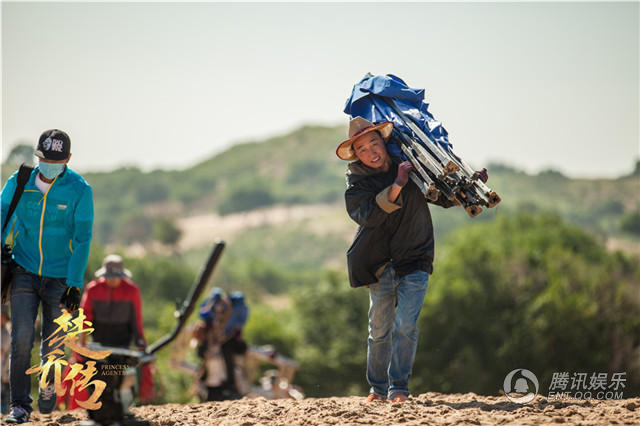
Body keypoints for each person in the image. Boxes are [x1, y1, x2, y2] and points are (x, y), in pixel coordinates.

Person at [336, 117, 487, 403]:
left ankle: (399, 388)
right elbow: (367, 215)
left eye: (375, 143)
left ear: (384, 142)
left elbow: (442, 195)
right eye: (363, 149)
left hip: (416, 255)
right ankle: (377, 389)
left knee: (406, 325)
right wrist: (396, 185)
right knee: (379, 329)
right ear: (356, 155)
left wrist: (471, 184)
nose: (372, 152)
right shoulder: (357, 184)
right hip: (378, 262)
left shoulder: (411, 165)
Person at [1, 129, 93, 423]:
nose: (49, 166)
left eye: (57, 160)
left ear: (67, 159)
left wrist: (75, 285)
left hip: (61, 277)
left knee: (53, 344)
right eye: (44, 159)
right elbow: (2, 215)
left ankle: (48, 386)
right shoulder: (20, 182)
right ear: (37, 157)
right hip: (24, 270)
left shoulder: (79, 189)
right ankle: (19, 406)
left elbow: (83, 240)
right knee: (21, 338)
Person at [74, 254, 155, 409]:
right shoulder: (93, 289)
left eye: (115, 276)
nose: (112, 280)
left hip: (122, 344)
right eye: (109, 276)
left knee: (124, 377)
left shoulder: (132, 290)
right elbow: (84, 317)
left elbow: (136, 320)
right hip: (99, 344)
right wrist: (82, 343)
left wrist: (141, 345)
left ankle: (124, 408)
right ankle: (99, 408)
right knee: (98, 377)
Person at [193, 288, 249, 401]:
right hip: (210, 385)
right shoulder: (207, 342)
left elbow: (240, 352)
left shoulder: (231, 341)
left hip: (226, 386)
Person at [1, 305, 11, 414]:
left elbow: (2, 350)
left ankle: (5, 410)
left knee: (4, 392)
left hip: (4, 369)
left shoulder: (6, 333)